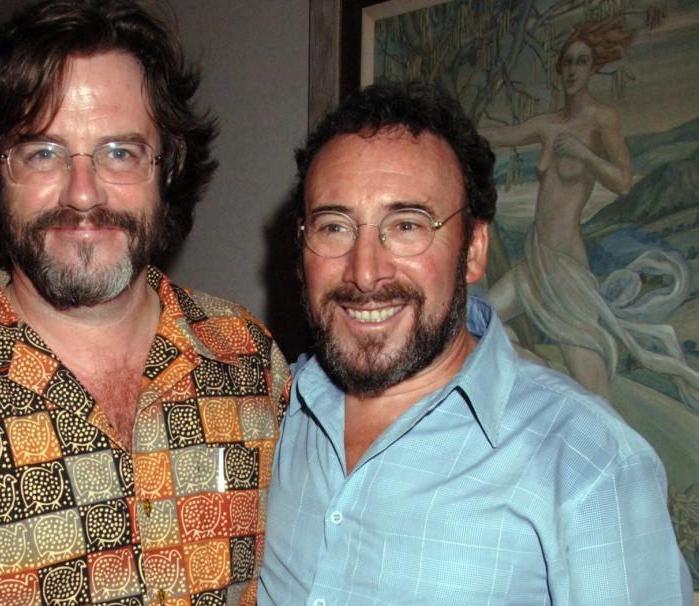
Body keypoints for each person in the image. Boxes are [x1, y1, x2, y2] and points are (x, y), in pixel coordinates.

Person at [0, 1, 289, 603]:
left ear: (167, 169)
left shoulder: (248, 360)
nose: (83, 194)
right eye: (42, 152)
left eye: (120, 152)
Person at [258, 80, 692, 604]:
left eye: (407, 225)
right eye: (334, 227)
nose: (365, 272)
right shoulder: (272, 408)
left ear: (473, 251)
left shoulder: (590, 463)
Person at [480, 17, 699, 407]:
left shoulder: (601, 120)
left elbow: (623, 180)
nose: (571, 70)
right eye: (566, 62)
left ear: (593, 68)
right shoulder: (549, 124)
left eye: (580, 62)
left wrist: (583, 154)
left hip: (566, 269)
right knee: (476, 325)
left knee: (598, 397)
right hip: (534, 261)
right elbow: (497, 136)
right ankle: (546, 388)